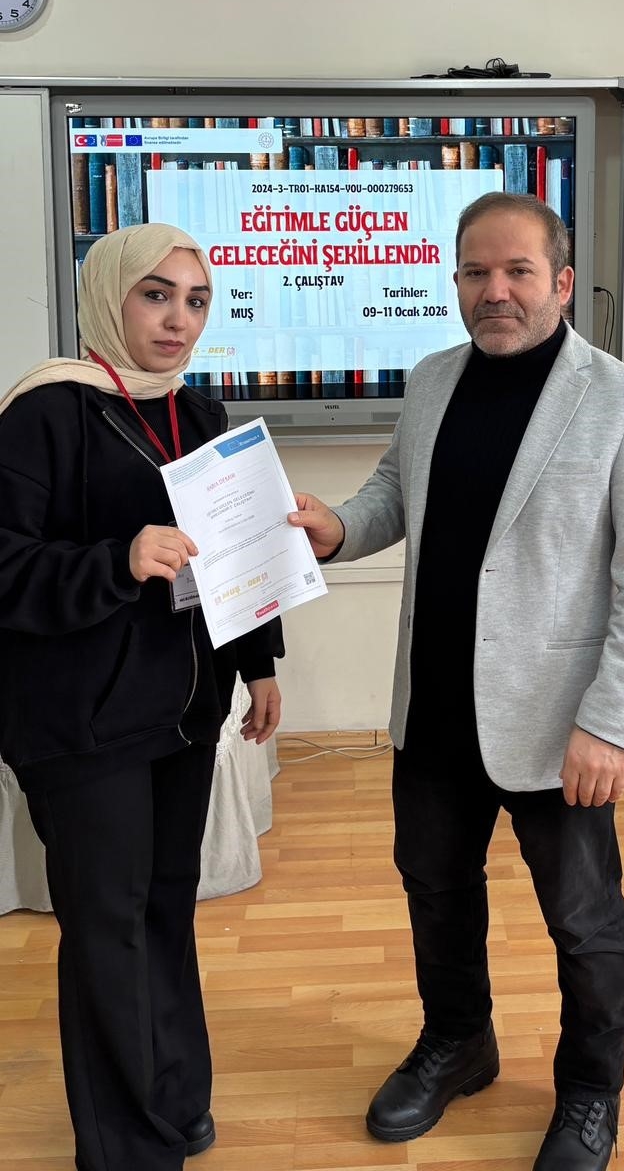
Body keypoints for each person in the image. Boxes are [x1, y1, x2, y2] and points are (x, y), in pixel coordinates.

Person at [288, 193, 624, 1171]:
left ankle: (590, 1091)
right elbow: (396, 492)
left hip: (559, 725)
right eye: (476, 272)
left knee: (584, 923)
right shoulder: (432, 379)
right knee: (434, 887)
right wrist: (338, 527)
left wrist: (613, 721)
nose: (494, 290)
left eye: (517, 271)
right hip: (432, 707)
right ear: (457, 281)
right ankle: (459, 1040)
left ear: (562, 282)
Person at [0, 224, 284, 1171]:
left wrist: (261, 662)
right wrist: (115, 562)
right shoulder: (44, 413)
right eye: (156, 295)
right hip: (82, 725)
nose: (179, 319)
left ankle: (174, 1102)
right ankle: (124, 1146)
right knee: (106, 928)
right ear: (107, 297)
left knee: (164, 907)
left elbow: (239, 557)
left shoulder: (198, 412)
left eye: (196, 300)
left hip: (183, 713)